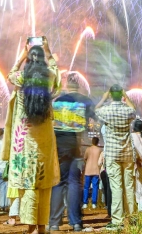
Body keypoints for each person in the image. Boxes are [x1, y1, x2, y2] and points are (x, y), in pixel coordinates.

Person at [6, 40, 61, 234]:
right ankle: (42, 226)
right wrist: (49, 51)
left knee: (28, 183)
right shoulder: (49, 77)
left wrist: (22, 56)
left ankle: (31, 227)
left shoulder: (22, 77)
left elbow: (10, 74)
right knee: (44, 182)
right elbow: (58, 76)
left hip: (24, 139)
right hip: (45, 138)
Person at [49, 73, 94, 232]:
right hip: (76, 147)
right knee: (74, 182)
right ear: (80, 85)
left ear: (67, 84)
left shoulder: (58, 101)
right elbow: (92, 121)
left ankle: (54, 222)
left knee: (58, 183)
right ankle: (75, 223)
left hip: (59, 146)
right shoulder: (85, 101)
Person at [94, 86, 137, 230]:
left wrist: (104, 98)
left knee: (116, 187)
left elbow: (96, 109)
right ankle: (132, 218)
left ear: (111, 95)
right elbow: (134, 109)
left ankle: (118, 220)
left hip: (112, 154)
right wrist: (127, 97)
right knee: (129, 186)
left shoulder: (106, 111)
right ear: (122, 95)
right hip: (127, 153)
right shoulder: (127, 110)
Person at [82, 137, 102, 210]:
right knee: (95, 187)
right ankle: (94, 203)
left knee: (86, 187)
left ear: (92, 142)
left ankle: (85, 203)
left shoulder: (88, 149)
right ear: (97, 142)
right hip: (96, 170)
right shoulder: (99, 150)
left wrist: (87, 164)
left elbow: (84, 158)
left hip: (88, 170)